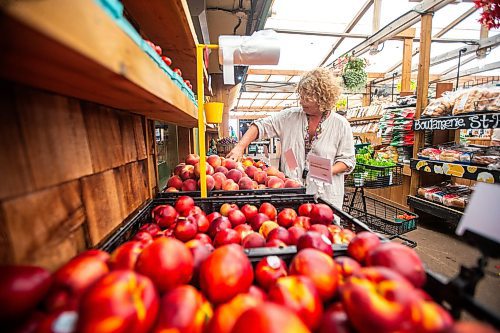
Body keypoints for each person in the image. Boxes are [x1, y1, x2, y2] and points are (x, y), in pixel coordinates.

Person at [227, 67, 355, 209]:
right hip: (291, 194)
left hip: (325, 195)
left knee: (324, 227)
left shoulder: (340, 125)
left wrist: (326, 170)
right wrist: (240, 147)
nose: (301, 101)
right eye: (301, 96)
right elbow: (261, 126)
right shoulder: (290, 117)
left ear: (322, 99)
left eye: (307, 98)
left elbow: (347, 160)